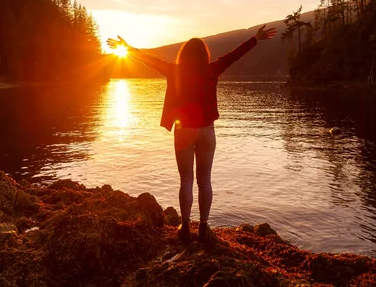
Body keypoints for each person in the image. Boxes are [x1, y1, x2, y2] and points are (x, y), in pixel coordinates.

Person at [107, 24, 277, 244]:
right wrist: (255, 39)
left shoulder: (174, 70)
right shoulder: (213, 69)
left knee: (186, 180)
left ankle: (185, 226)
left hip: (184, 131)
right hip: (207, 131)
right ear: (204, 54)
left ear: (183, 55)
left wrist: (127, 48)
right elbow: (234, 55)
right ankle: (204, 227)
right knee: (204, 181)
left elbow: (148, 59)